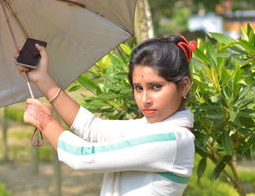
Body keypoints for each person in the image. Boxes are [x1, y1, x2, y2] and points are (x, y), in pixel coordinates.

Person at [15, 35, 197, 196]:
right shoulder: (149, 128)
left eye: (156, 87)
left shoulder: (173, 140)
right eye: (138, 88)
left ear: (184, 86)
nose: (145, 99)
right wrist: (42, 79)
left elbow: (83, 156)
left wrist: (44, 121)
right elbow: (93, 129)